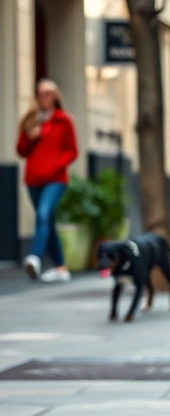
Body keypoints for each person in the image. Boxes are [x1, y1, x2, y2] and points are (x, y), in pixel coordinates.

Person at [16, 78, 79, 283]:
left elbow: (72, 151)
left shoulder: (64, 121)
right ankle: (61, 267)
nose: (44, 97)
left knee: (43, 214)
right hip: (33, 180)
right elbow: (21, 151)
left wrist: (55, 164)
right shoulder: (31, 120)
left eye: (48, 93)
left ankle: (35, 257)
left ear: (55, 96)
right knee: (48, 221)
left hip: (55, 180)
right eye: (41, 94)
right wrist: (29, 137)